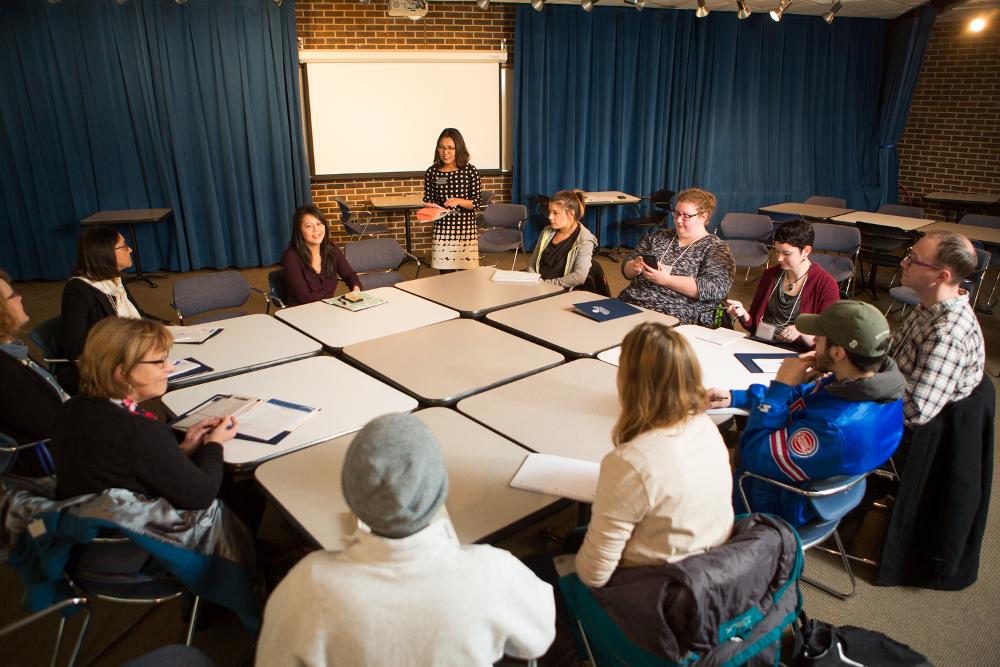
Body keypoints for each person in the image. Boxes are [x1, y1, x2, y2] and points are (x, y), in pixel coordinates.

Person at [255, 412, 555, 666]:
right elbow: (537, 641)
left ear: (350, 491)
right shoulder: (493, 572)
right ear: (439, 489)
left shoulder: (307, 586)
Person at [707, 301, 905, 528]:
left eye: (819, 338)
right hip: (807, 475)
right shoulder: (866, 383)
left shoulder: (834, 426)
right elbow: (801, 397)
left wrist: (781, 386)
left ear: (838, 353)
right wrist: (736, 397)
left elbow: (753, 455)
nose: (813, 341)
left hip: (775, 505)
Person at [575, 322, 734, 588]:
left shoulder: (632, 461)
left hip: (658, 588)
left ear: (629, 381)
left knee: (534, 565)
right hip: (711, 569)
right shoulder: (704, 425)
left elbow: (593, 575)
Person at [50, 318, 237, 510]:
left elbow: (130, 465)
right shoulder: (139, 432)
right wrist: (213, 443)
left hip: (84, 514)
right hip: (132, 525)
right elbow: (201, 496)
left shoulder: (71, 408)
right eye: (159, 362)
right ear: (123, 373)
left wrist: (182, 449)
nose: (170, 367)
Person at [888, 231, 984, 426]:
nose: (903, 263)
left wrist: (861, 386)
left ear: (941, 276)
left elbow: (914, 411)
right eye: (908, 254)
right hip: (892, 384)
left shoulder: (946, 334)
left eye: (913, 260)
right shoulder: (929, 304)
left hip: (911, 428)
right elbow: (895, 349)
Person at [618, 188, 735, 326]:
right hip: (632, 301)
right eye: (676, 213)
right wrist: (634, 267)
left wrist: (667, 280)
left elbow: (714, 289)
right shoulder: (658, 236)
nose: (679, 220)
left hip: (676, 312)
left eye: (686, 216)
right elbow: (626, 268)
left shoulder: (715, 248)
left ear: (703, 217)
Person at [725, 218, 840, 348]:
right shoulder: (770, 275)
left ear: (806, 251)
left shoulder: (825, 284)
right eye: (777, 251)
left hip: (794, 349)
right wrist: (743, 314)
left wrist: (802, 331)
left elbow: (827, 340)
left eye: (787, 253)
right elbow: (753, 326)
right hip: (760, 341)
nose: (779, 258)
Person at [58, 225, 145, 394]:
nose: (130, 250)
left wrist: (166, 327)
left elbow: (138, 315)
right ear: (105, 252)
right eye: (124, 246)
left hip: (131, 350)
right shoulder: (79, 289)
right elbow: (74, 348)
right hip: (102, 367)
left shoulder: (114, 279)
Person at [0, 269, 67, 476]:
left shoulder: (13, 349)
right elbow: (53, 428)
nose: (20, 297)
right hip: (54, 463)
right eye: (13, 295)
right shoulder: (6, 374)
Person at [423, 128, 482, 272]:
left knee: (466, 277)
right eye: (442, 147)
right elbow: (428, 199)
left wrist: (459, 201)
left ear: (458, 149)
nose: (445, 152)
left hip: (465, 231)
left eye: (450, 148)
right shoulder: (432, 172)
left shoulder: (470, 171)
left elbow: (476, 202)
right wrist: (433, 208)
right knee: (445, 276)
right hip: (442, 230)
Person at [280, 205, 361, 306]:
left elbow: (350, 276)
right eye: (309, 226)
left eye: (319, 223)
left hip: (329, 308)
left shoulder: (332, 250)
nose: (316, 229)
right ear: (299, 230)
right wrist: (339, 302)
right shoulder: (291, 257)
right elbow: (304, 297)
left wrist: (355, 289)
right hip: (302, 310)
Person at [526, 189, 596, 288]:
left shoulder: (585, 239)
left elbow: (580, 276)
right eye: (549, 212)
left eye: (555, 213)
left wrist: (545, 285)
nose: (550, 217)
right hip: (537, 284)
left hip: (558, 289)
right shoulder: (546, 232)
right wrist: (534, 280)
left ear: (571, 214)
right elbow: (532, 264)